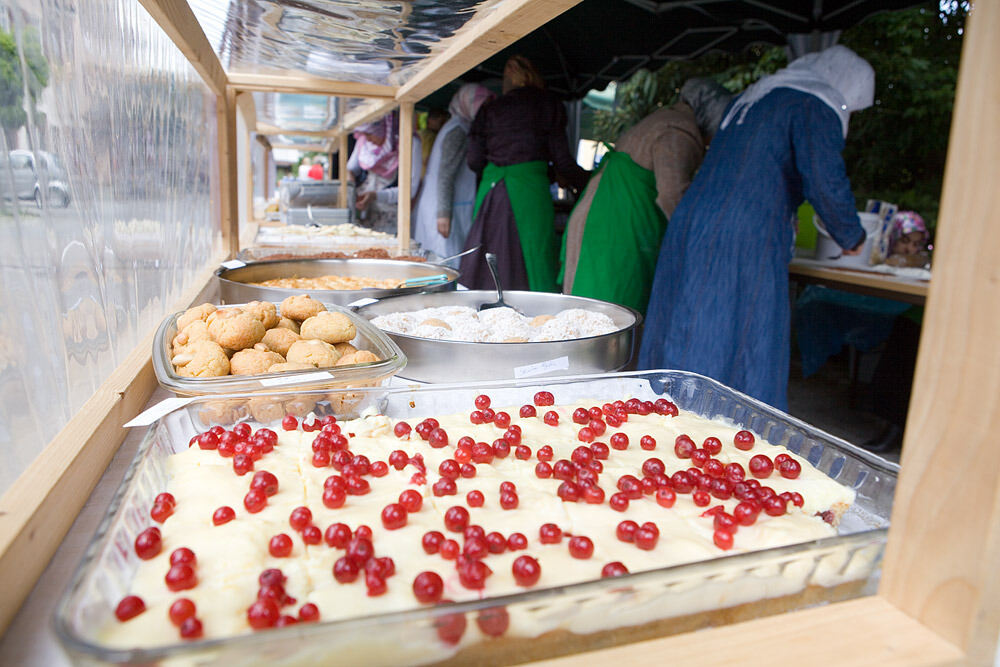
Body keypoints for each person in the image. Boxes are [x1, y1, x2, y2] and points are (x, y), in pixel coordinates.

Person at [638, 45, 875, 411]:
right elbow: (826, 182)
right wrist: (853, 238)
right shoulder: (813, 104)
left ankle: (661, 415)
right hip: (743, 230)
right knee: (730, 331)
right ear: (846, 87)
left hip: (693, 222)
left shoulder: (757, 98)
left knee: (683, 321)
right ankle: (717, 431)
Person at [561, 78, 732, 313]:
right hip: (616, 231)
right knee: (610, 314)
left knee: (589, 310)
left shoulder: (662, 119)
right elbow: (673, 195)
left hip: (602, 221)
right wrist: (704, 243)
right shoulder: (678, 131)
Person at [459, 55, 589, 292]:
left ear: (509, 74)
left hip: (492, 193)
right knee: (533, 260)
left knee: (487, 264)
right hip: (530, 193)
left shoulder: (490, 108)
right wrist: (588, 183)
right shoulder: (548, 104)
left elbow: (474, 161)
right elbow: (562, 161)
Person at [413, 84, 495, 264]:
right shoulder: (457, 130)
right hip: (444, 208)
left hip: (446, 205)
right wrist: (443, 213)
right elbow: (446, 174)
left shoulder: (459, 126)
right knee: (447, 263)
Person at [347, 112, 422, 234]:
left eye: (370, 134)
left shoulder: (410, 143)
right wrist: (351, 188)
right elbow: (350, 168)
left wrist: (376, 196)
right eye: (365, 135)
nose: (368, 139)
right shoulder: (364, 140)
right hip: (365, 214)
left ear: (384, 129)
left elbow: (410, 190)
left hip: (390, 216)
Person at [418, 108, 450, 178]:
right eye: (441, 122)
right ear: (430, 120)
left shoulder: (419, 134)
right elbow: (427, 160)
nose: (444, 126)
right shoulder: (430, 137)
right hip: (425, 177)